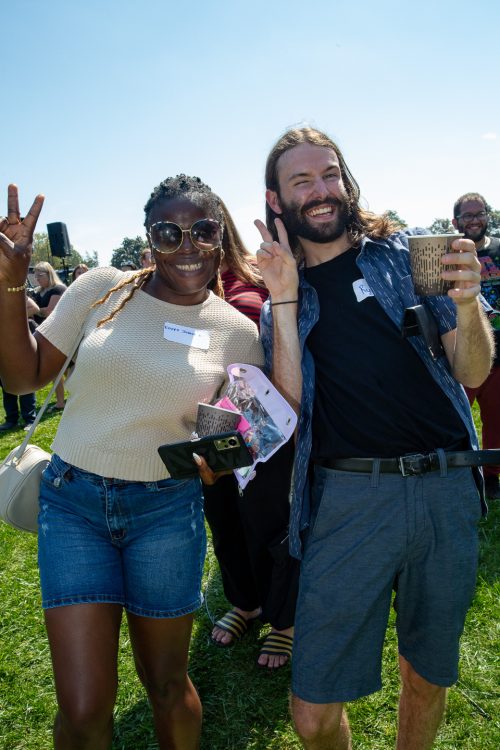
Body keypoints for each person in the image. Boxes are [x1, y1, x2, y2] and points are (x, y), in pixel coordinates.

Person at [0, 177, 263, 750]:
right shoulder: (102, 287)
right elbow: (23, 377)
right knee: (84, 707)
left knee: (167, 685)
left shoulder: (240, 334)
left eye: (202, 230)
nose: (186, 244)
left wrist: (219, 460)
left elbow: (233, 432)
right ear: (149, 237)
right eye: (169, 232)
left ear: (220, 238)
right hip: (74, 506)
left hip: (166, 512)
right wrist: (11, 282)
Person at [254, 127, 494, 750]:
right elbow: (288, 410)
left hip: (445, 487)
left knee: (426, 670)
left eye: (329, 174)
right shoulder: (281, 292)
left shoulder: (408, 256)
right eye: (301, 181)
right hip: (348, 500)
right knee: (311, 712)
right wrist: (282, 298)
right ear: (276, 201)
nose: (321, 190)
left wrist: (468, 306)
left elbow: (470, 371)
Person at [203, 198, 299, 669]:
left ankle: (285, 622)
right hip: (207, 423)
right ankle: (247, 603)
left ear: (222, 227)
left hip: (264, 421)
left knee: (270, 522)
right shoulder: (172, 288)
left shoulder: (255, 273)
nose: (192, 240)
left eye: (203, 227)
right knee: (223, 517)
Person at [452, 193, 500, 500]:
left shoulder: (498, 248)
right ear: (455, 221)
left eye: (479, 214)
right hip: (465, 348)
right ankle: (456, 476)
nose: (474, 220)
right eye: (467, 216)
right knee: (456, 419)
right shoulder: (450, 254)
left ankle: (492, 477)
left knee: (497, 418)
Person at [0, 294, 39, 431]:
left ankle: (30, 419)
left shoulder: (13, 290)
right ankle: (11, 419)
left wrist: (12, 316)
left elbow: (35, 308)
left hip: (17, 343)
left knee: (25, 383)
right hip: (3, 346)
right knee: (6, 385)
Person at [32, 261, 67, 411]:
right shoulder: (38, 291)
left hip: (59, 332)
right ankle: (60, 401)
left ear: (49, 274)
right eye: (36, 276)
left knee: (66, 369)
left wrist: (33, 309)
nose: (37, 279)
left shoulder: (58, 289)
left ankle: (63, 401)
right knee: (56, 371)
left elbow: (49, 312)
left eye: (40, 275)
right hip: (44, 334)